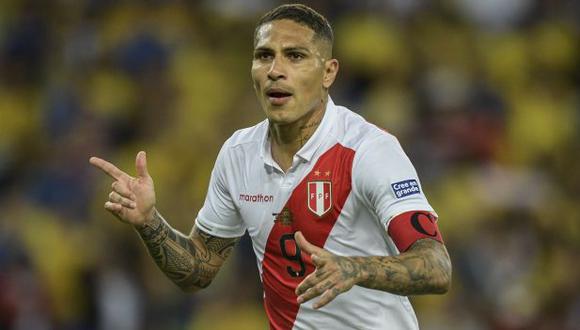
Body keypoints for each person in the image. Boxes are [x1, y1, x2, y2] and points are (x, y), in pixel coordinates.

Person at [89, 4, 451, 329]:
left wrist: (355, 268)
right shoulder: (238, 153)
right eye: (264, 56)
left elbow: (436, 267)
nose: (276, 70)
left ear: (328, 72)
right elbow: (199, 272)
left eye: (294, 56)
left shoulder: (369, 150)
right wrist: (149, 223)